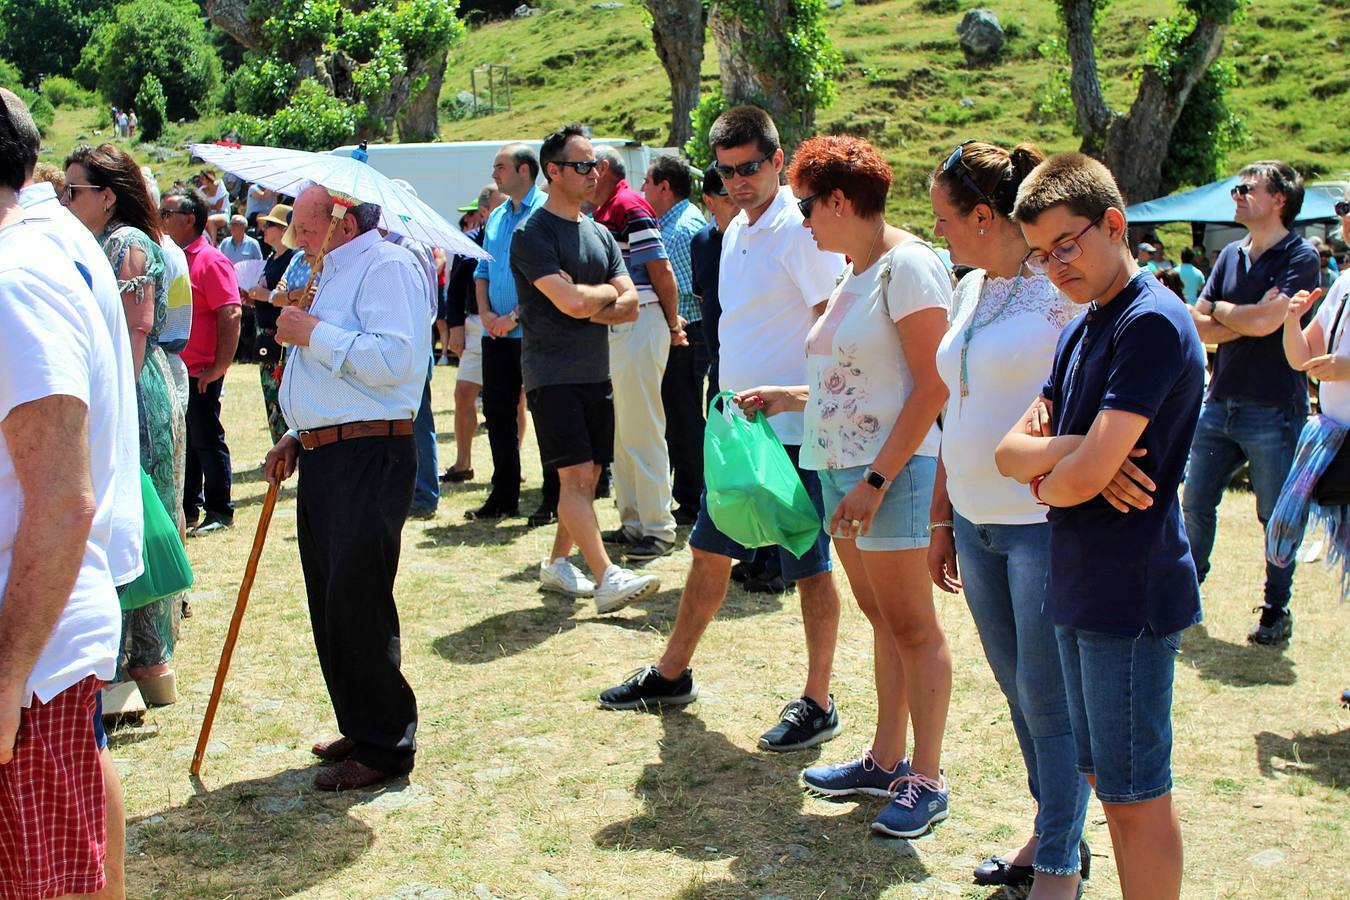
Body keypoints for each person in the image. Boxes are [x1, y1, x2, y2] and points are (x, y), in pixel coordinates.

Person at [599, 107, 846, 754]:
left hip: (793, 435)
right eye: (728, 171)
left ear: (778, 159)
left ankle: (819, 701)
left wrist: (803, 401)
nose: (739, 182)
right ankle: (673, 674)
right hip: (743, 430)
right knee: (709, 551)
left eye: (751, 169)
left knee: (810, 569)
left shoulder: (800, 230)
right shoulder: (737, 230)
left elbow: (831, 325)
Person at [995, 152, 1206, 900]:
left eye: (1066, 245)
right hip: (1081, 581)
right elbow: (1007, 452)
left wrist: (1059, 470)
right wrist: (1074, 458)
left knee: (1134, 795)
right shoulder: (1082, 329)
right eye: (1040, 253)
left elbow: (1059, 475)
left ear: (1114, 225)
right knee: (1102, 776)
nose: (1053, 266)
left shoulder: (1149, 322)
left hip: (1130, 592)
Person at [731, 134, 953, 838]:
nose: (801, 222)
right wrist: (791, 396)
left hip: (886, 474)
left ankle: (928, 776)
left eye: (806, 206)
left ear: (838, 201)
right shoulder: (859, 267)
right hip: (845, 471)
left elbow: (932, 385)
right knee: (885, 623)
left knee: (914, 629)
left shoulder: (910, 267)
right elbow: (860, 379)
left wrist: (879, 480)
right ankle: (886, 760)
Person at [926, 140, 1088, 894]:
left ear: (985, 216)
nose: (940, 233)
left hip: (1038, 524)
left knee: (1048, 695)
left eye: (946, 219)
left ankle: (1059, 856)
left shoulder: (1058, 291)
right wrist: (940, 518)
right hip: (974, 521)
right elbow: (951, 407)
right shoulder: (968, 289)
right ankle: (1050, 828)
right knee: (1018, 690)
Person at [0, 92, 135, 897]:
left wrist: (6, 677)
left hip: (30, 650)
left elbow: (59, 498)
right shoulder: (42, 252)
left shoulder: (14, 278)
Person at [263, 184, 429, 790]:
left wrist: (313, 334)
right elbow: (338, 380)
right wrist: (296, 434)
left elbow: (396, 364)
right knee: (330, 597)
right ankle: (362, 723)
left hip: (371, 451)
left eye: (307, 229)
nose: (298, 240)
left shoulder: (386, 266)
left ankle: (386, 744)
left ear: (342, 218)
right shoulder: (329, 271)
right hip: (331, 451)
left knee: (357, 598)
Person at [511, 124, 662, 610]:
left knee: (590, 478)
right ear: (552, 172)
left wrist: (584, 298)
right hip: (551, 375)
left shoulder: (599, 232)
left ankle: (558, 563)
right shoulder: (531, 234)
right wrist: (598, 298)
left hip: (596, 372)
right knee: (575, 478)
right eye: (582, 165)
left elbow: (632, 304)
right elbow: (576, 302)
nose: (594, 172)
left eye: (594, 163)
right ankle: (606, 577)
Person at [64, 143, 188, 707]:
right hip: (128, 384)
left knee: (132, 516)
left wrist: (112, 401)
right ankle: (135, 666)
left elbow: (135, 332)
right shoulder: (103, 241)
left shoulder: (126, 243)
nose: (66, 201)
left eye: (75, 191)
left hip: (134, 388)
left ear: (107, 196)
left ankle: (137, 666)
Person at [1184, 161, 1320, 644]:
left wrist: (1225, 314)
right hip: (1219, 402)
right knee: (1195, 504)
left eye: (1247, 188)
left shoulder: (1301, 257)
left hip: (1273, 406)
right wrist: (1243, 315)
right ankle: (1185, 595)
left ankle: (1275, 609)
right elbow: (1198, 323)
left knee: (1274, 516)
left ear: (1279, 199)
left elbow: (1268, 322)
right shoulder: (1229, 255)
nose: (1236, 195)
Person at [591, 145, 682, 560]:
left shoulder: (627, 204)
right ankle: (635, 522)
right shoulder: (611, 207)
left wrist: (671, 321)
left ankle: (658, 528)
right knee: (624, 429)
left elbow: (662, 271)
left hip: (639, 319)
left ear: (604, 168)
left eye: (586, 166)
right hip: (624, 322)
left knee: (641, 426)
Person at [1267, 186, 1350, 601]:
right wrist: (1291, 321)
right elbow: (1303, 358)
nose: (1346, 217)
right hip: (1339, 445)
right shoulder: (1344, 284)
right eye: (1344, 208)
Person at [472, 143, 559, 525]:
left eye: (501, 167)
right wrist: (488, 314)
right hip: (496, 335)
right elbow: (483, 271)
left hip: (534, 333)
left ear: (525, 170)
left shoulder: (547, 213)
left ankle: (553, 498)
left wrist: (513, 318)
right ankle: (504, 493)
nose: (494, 174)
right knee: (497, 413)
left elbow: (551, 278)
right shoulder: (496, 217)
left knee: (545, 415)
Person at [161, 185, 241, 535]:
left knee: (207, 439)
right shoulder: (175, 257)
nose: (160, 220)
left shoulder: (210, 260)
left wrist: (219, 367)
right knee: (189, 441)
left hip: (203, 371)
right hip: (182, 368)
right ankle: (188, 506)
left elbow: (231, 312)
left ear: (189, 220)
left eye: (167, 214)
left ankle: (220, 510)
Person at [644, 154, 709, 524]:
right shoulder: (676, 223)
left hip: (687, 334)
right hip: (681, 332)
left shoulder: (681, 229)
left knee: (683, 418)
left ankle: (691, 498)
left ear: (665, 187)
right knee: (678, 416)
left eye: (648, 183)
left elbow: (690, 289)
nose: (643, 190)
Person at [442, 184, 503, 487]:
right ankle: (463, 462)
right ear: (483, 212)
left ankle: (509, 466)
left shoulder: (514, 238)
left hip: (508, 324)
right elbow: (453, 291)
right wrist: (454, 329)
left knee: (514, 398)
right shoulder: (468, 244)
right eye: (499, 206)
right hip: (475, 325)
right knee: (463, 393)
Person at [244, 203, 296, 444]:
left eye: (271, 225)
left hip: (280, 337)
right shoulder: (272, 257)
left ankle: (286, 445)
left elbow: (292, 296)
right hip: (264, 333)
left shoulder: (292, 259)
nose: (264, 229)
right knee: (270, 393)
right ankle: (278, 444)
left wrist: (266, 296)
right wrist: (254, 299)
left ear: (284, 229)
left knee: (281, 394)